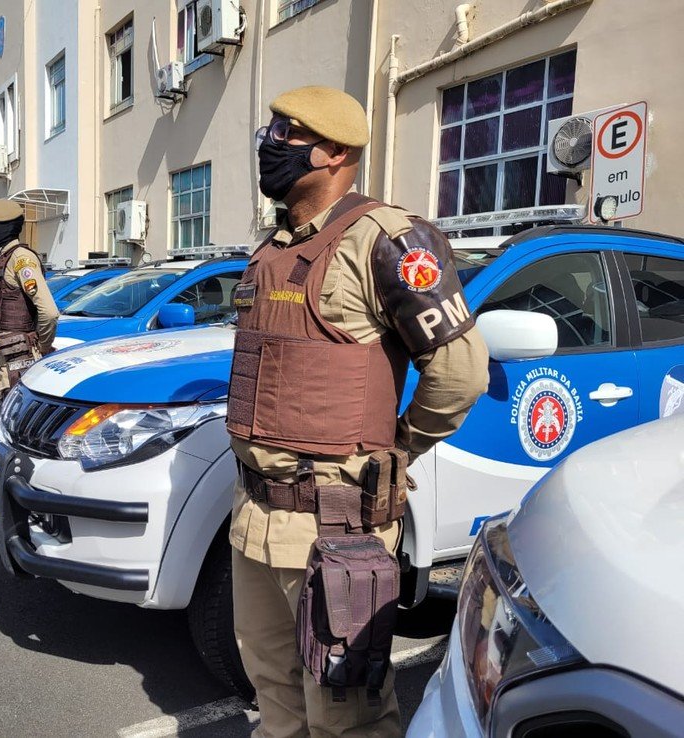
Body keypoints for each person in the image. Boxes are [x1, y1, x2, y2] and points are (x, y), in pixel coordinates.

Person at [228, 86, 489, 737]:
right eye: (272, 128)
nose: (270, 143)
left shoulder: (388, 239)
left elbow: (460, 370)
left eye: (286, 132)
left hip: (336, 530)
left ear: (335, 150)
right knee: (276, 700)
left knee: (347, 719)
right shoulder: (273, 247)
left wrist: (401, 445)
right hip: (253, 519)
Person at [0, 200, 59, 404]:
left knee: (20, 419)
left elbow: (49, 312)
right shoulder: (4, 259)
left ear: (1, 228)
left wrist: (43, 345)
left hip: (20, 359)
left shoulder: (21, 258)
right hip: (7, 357)